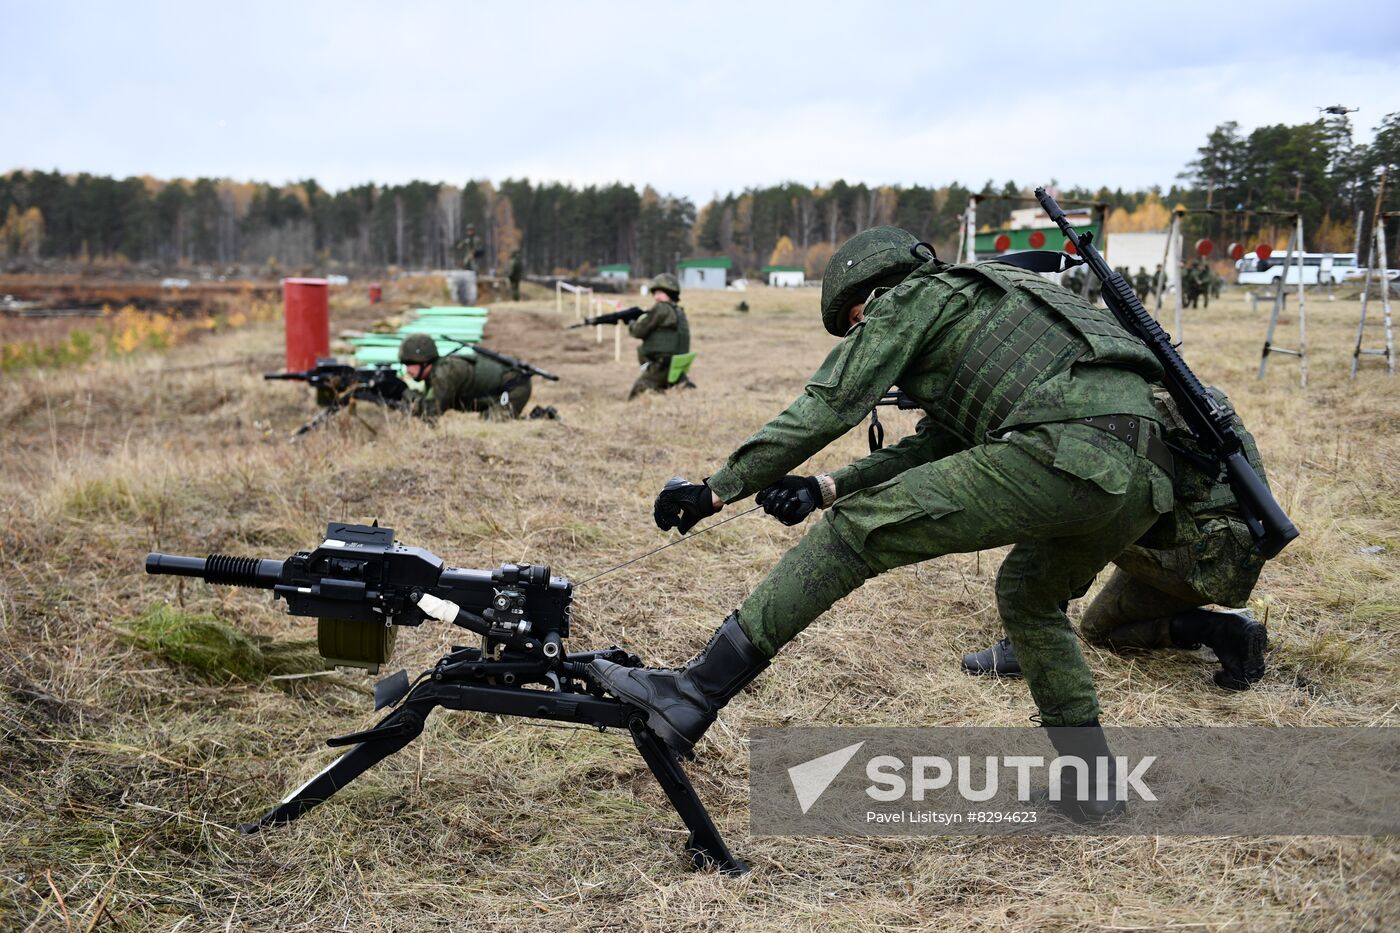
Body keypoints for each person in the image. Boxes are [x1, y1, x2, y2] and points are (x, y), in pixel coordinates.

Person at [590, 226, 1180, 819]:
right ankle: (1093, 783)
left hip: (1064, 451)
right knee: (1028, 595)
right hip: (1142, 478)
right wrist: (824, 486)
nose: (859, 334)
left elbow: (830, 403)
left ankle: (692, 694)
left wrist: (717, 489)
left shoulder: (913, 296)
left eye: (854, 321)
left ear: (874, 290)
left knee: (857, 531)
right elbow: (937, 446)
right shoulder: (996, 303)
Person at [962, 385, 1270, 690]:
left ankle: (1025, 647)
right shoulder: (1192, 393)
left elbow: (1091, 497)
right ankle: (1225, 631)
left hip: (1199, 553)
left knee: (1072, 503)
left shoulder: (1133, 406)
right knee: (1101, 629)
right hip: (1229, 558)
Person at [397, 333, 532, 420]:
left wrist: (403, 392)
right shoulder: (437, 371)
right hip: (510, 385)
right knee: (487, 419)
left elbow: (431, 412)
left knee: (491, 425)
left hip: (514, 389)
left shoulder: (444, 374)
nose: (408, 369)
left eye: (410, 364)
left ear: (425, 362)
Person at [627, 272, 694, 399]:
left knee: (637, 393)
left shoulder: (662, 309)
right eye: (655, 293)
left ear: (670, 294)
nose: (656, 297)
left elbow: (639, 331)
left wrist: (631, 323)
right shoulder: (678, 311)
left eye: (660, 293)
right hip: (676, 363)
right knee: (675, 389)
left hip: (662, 364)